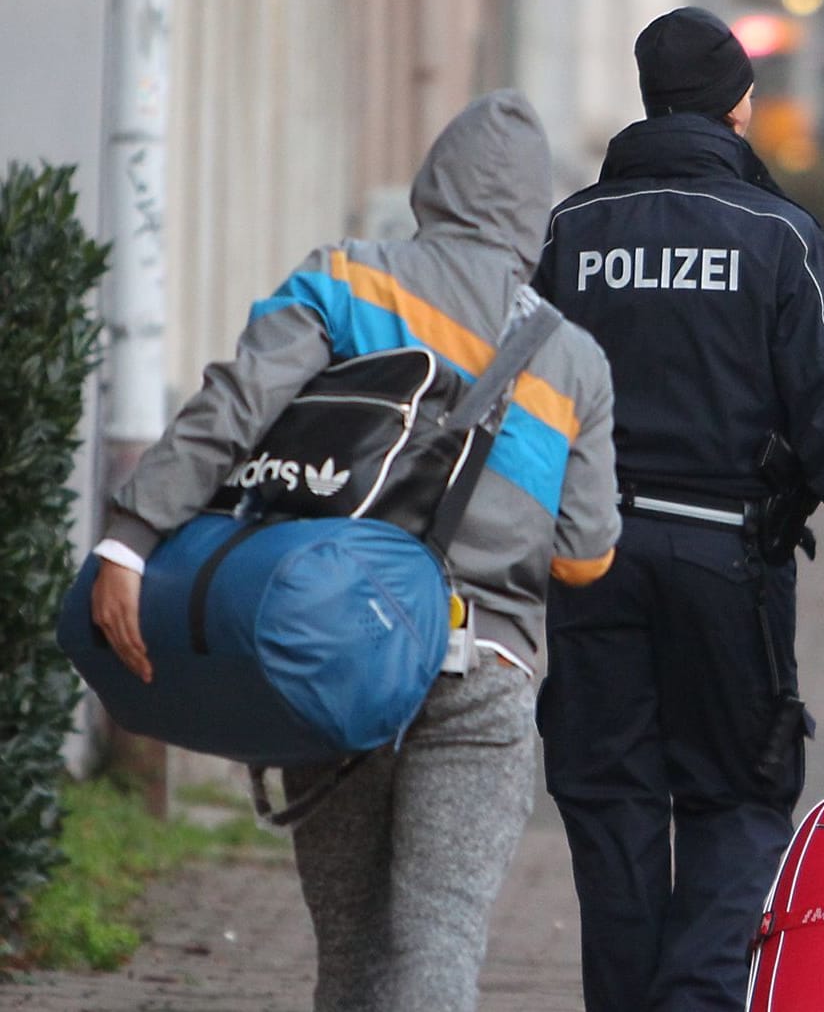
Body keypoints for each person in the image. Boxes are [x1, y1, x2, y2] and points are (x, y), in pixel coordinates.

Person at [88, 89, 622, 1012]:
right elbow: (583, 557)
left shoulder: (344, 279)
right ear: (534, 218)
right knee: (437, 944)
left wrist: (129, 541)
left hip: (334, 648)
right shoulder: (570, 356)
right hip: (481, 669)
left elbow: (231, 411)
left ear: (431, 184)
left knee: (350, 946)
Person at [532, 6, 824, 1011]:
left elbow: (523, 397)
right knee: (738, 797)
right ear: (735, 105)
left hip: (590, 558)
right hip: (727, 566)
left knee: (613, 803)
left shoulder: (572, 231)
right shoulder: (774, 234)